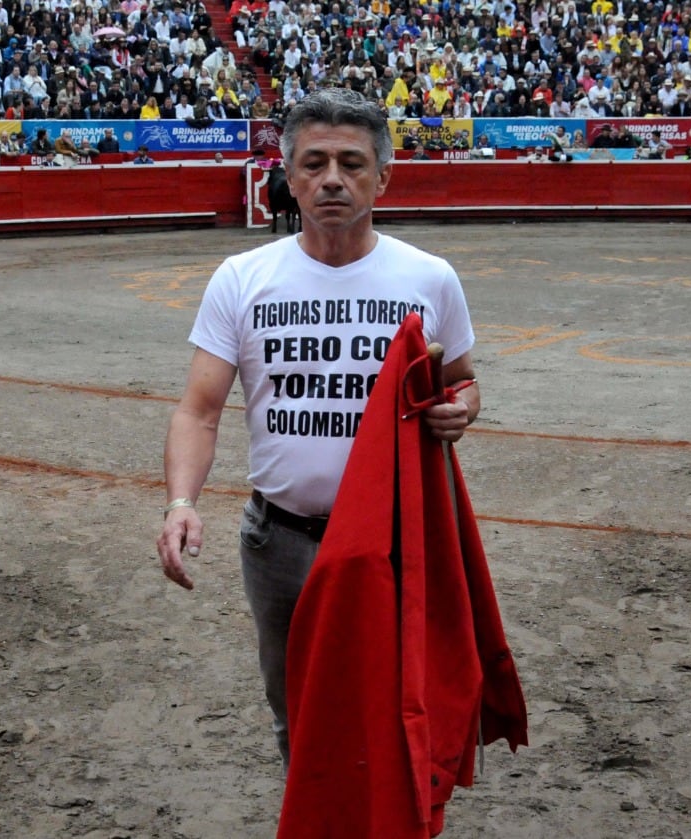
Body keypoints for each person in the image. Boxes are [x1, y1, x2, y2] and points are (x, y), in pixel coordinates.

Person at [155, 87, 478, 768]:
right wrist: (180, 502)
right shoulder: (242, 277)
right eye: (315, 162)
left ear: (383, 176)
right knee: (296, 712)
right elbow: (199, 409)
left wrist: (463, 407)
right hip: (282, 540)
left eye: (353, 163)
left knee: (396, 707)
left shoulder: (429, 278)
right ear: (289, 173)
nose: (333, 178)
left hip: (394, 537)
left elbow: (462, 381)